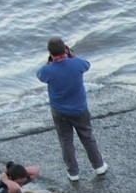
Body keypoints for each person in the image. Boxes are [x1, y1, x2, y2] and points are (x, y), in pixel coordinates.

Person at [35, 37, 108, 182]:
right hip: (79, 109)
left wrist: (49, 62)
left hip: (59, 110)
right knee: (87, 137)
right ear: (66, 50)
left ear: (50, 52)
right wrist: (72, 55)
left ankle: (73, 172)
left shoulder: (47, 70)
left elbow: (40, 75)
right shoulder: (77, 64)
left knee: (65, 140)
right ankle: (98, 165)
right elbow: (87, 64)